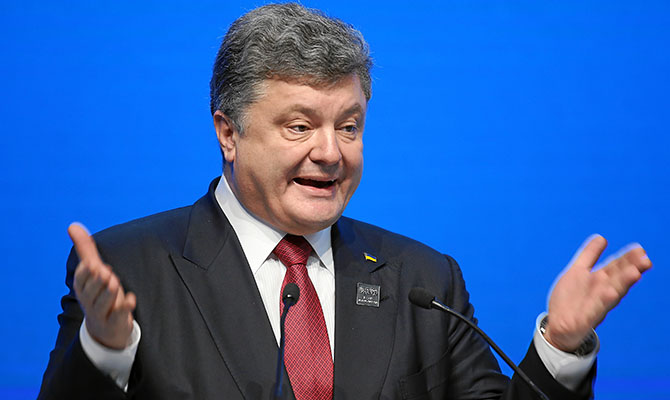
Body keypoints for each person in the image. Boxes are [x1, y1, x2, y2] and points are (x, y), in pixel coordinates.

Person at [38, 3, 652, 399]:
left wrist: (560, 347)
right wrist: (106, 349)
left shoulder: (425, 280)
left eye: (349, 126)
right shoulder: (132, 268)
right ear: (229, 133)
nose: (331, 153)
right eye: (300, 126)